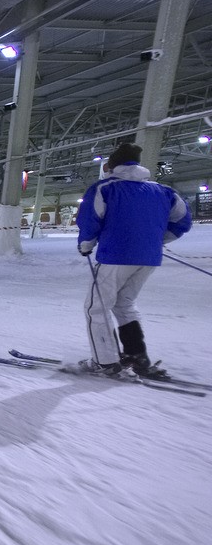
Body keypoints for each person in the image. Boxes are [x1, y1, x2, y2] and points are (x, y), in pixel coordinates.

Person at [76, 142, 192, 376]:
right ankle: (136, 355)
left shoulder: (105, 188)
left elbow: (90, 220)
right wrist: (156, 241)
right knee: (124, 303)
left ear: (114, 165)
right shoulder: (164, 191)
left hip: (115, 256)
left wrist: (86, 245)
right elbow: (183, 221)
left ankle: (105, 362)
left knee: (96, 308)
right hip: (148, 258)